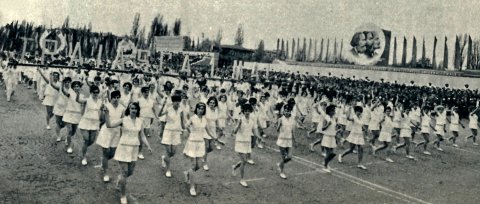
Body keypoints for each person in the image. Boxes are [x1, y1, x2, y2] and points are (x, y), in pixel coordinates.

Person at [106, 102, 152, 204]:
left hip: (133, 149)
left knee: (130, 172)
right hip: (123, 148)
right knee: (124, 172)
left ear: (137, 110)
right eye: (132, 108)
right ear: (129, 109)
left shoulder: (140, 121)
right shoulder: (124, 120)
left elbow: (142, 135)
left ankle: (120, 181)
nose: (133, 110)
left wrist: (148, 145)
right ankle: (123, 195)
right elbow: (109, 125)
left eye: (135, 108)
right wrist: (106, 113)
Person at [183, 102, 216, 196]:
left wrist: (215, 138)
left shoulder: (205, 119)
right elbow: (185, 126)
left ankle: (187, 173)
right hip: (192, 143)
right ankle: (192, 187)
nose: (200, 110)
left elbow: (208, 131)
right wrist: (189, 129)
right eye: (199, 108)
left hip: (201, 143)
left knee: (198, 166)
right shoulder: (193, 118)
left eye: (202, 109)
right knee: (193, 165)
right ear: (196, 109)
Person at [96, 90, 125, 182]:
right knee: (106, 153)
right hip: (106, 132)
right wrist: (101, 111)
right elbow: (101, 119)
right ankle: (105, 173)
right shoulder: (106, 106)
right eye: (114, 98)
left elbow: (123, 122)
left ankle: (103, 162)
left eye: (118, 97)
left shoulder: (122, 108)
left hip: (116, 132)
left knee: (112, 153)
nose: (116, 99)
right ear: (111, 98)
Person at [232, 103, 262, 187]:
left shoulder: (252, 121)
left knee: (243, 161)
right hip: (240, 142)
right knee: (244, 161)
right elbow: (234, 132)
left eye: (248, 111)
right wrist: (238, 125)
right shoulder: (240, 119)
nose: (247, 112)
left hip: (247, 142)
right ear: (243, 111)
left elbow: (255, 131)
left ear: (250, 111)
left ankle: (234, 167)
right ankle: (242, 179)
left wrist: (259, 137)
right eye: (245, 111)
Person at [158, 95, 185, 178]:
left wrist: (186, 129)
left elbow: (182, 123)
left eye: (178, 101)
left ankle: (164, 158)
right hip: (168, 131)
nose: (177, 103)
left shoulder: (181, 110)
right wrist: (163, 105)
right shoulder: (168, 109)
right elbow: (159, 115)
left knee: (173, 152)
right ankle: (168, 170)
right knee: (168, 151)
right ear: (172, 102)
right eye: (175, 101)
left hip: (176, 132)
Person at [275, 104, 305, 178]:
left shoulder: (292, 119)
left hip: (289, 140)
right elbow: (277, 130)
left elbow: (292, 131)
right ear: (283, 111)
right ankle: (281, 172)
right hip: (282, 140)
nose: (286, 112)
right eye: (285, 111)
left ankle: (280, 164)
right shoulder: (280, 119)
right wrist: (278, 125)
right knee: (284, 157)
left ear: (290, 111)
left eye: (288, 111)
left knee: (289, 157)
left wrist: (295, 141)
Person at [77, 85, 103, 165]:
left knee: (91, 141)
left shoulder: (100, 101)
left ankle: (83, 149)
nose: (95, 94)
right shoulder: (87, 100)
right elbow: (78, 100)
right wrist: (78, 92)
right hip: (85, 122)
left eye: (97, 92)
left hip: (94, 123)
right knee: (86, 139)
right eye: (94, 92)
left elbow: (102, 111)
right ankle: (84, 156)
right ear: (91, 92)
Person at [62, 80, 84, 154]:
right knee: (70, 130)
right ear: (73, 87)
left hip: (77, 115)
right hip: (69, 114)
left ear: (80, 87)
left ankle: (68, 139)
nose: (76, 88)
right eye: (75, 86)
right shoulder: (69, 93)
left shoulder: (82, 96)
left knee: (73, 131)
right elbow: (63, 91)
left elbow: (82, 105)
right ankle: (69, 146)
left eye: (78, 86)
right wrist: (62, 84)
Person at [320, 104, 339, 172]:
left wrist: (336, 137)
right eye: (332, 110)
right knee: (329, 153)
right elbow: (322, 128)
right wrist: (328, 125)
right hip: (327, 137)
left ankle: (325, 162)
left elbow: (334, 128)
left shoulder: (334, 118)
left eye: (334, 110)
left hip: (332, 137)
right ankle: (325, 166)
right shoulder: (326, 118)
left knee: (333, 153)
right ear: (329, 111)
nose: (334, 111)